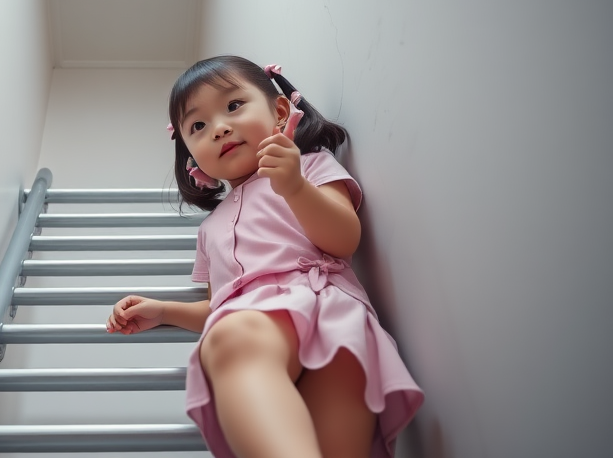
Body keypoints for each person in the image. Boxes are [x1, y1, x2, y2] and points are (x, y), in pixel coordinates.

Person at [106, 56, 423, 458]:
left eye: (233, 106)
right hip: (259, 325)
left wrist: (293, 186)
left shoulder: (309, 167)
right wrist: (165, 311)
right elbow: (222, 302)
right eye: (197, 126)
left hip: (335, 317)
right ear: (191, 157)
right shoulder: (210, 229)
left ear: (279, 112)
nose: (219, 127)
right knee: (230, 333)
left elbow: (345, 239)